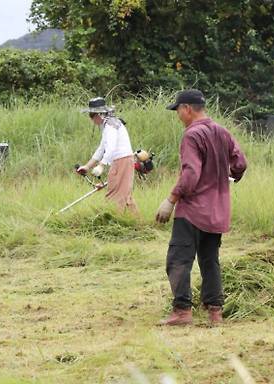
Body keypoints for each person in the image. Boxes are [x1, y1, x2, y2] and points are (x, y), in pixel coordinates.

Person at [156, 89, 247, 326]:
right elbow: (240, 163)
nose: (177, 115)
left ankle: (182, 311)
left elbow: (191, 173)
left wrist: (171, 200)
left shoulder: (192, 135)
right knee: (209, 260)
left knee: (178, 259)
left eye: (177, 110)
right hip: (218, 210)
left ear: (186, 108)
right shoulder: (222, 131)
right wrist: (232, 176)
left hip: (193, 210)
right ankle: (215, 312)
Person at [77, 97, 138, 213]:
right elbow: (102, 149)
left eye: (91, 115)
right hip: (122, 161)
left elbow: (111, 147)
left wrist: (101, 165)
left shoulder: (111, 125)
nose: (91, 119)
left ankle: (112, 221)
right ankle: (136, 223)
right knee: (125, 195)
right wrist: (87, 166)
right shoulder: (108, 125)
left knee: (115, 195)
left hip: (122, 161)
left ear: (99, 114)